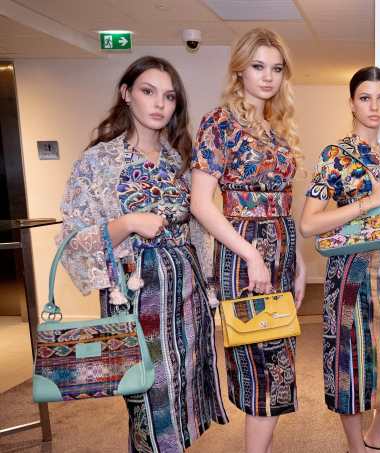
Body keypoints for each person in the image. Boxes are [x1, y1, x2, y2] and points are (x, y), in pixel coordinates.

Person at [58, 56, 228, 452]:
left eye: (169, 96)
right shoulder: (98, 161)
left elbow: (199, 228)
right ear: (126, 94)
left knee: (183, 387)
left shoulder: (180, 159)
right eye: (148, 92)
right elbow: (72, 238)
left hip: (186, 291)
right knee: (146, 393)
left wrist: (210, 283)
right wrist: (128, 222)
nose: (159, 104)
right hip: (134, 293)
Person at [190, 28, 306, 453]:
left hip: (281, 252)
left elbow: (284, 204)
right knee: (261, 366)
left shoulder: (277, 128)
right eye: (258, 66)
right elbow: (201, 203)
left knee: (279, 364)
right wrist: (251, 255)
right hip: (244, 254)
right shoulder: (219, 123)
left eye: (276, 68)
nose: (268, 77)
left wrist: (298, 263)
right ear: (240, 70)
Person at [299, 66, 380, 453]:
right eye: (365, 98)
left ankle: (375, 438)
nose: (374, 106)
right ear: (351, 103)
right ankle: (356, 447)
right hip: (351, 269)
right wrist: (368, 201)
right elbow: (308, 224)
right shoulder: (335, 155)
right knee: (349, 361)